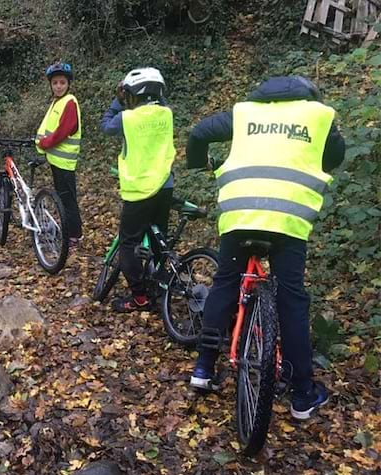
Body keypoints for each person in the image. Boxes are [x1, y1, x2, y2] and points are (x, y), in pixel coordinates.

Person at [186, 75, 345, 420]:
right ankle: (302, 394)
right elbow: (335, 157)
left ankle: (203, 369)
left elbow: (198, 133)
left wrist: (201, 164)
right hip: (289, 221)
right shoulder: (319, 115)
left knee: (226, 284)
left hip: (240, 214)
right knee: (292, 298)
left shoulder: (244, 113)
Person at [101, 67, 176, 313]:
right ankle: (160, 283)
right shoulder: (167, 113)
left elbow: (106, 126)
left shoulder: (127, 118)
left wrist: (117, 100)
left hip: (139, 188)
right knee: (158, 239)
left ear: (133, 94)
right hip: (165, 185)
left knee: (128, 243)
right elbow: (160, 104)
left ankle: (140, 297)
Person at [35, 62, 83, 248]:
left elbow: (65, 129)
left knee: (68, 199)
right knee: (63, 197)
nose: (58, 86)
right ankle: (70, 231)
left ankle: (74, 235)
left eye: (62, 82)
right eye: (55, 83)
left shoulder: (69, 102)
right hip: (56, 159)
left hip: (64, 161)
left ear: (68, 84)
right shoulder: (58, 102)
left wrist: (45, 143)